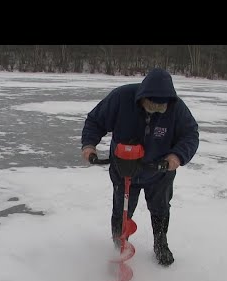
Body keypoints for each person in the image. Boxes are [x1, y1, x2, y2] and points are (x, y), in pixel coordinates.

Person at [80, 68, 199, 266]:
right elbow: (95, 121)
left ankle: (161, 243)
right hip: (123, 170)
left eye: (161, 107)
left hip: (159, 172)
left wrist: (176, 156)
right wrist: (89, 145)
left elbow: (190, 134)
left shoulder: (176, 108)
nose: (156, 109)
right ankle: (120, 247)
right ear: (142, 97)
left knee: (160, 209)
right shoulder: (121, 97)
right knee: (121, 211)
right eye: (151, 105)